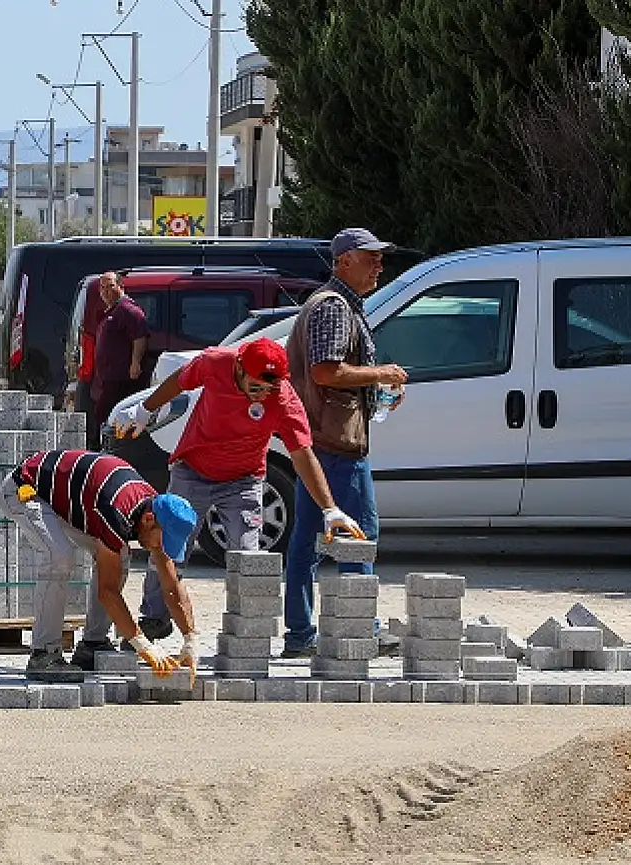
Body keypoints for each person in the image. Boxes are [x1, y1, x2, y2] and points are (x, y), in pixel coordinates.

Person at [111, 336, 368, 643]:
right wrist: (145, 409)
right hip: (193, 470)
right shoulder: (215, 363)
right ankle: (154, 618)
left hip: (243, 481)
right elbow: (179, 382)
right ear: (240, 369)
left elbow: (303, 454)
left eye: (270, 389)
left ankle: (247, 631)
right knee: (167, 548)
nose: (262, 396)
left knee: (248, 556)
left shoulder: (283, 399)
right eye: (256, 387)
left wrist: (330, 508)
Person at [279, 227, 409, 658]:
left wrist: (376, 388)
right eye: (370, 257)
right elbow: (326, 372)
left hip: (320, 438)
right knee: (358, 534)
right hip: (335, 441)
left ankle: (301, 634)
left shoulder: (339, 306)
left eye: (379, 257)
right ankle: (360, 632)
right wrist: (381, 374)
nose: (379, 265)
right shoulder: (334, 309)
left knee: (306, 540)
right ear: (343, 262)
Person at [0, 448, 199, 682]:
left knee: (119, 555)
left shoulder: (155, 511)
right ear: (148, 520)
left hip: (69, 499)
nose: (162, 548)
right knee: (59, 557)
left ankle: (92, 645)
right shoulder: (117, 510)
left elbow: (172, 585)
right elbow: (107, 591)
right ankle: (43, 655)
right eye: (163, 541)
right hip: (26, 489)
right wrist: (143, 645)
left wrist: (190, 639)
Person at [89, 271, 152, 444]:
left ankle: (108, 451)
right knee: (103, 417)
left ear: (121, 286)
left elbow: (139, 337)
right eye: (102, 287)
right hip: (107, 379)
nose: (105, 291)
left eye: (110, 286)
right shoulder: (111, 311)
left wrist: (135, 362)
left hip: (121, 379)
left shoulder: (128, 310)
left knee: (108, 417)